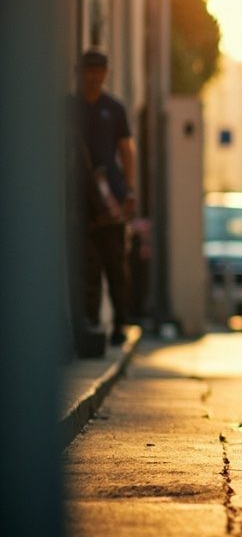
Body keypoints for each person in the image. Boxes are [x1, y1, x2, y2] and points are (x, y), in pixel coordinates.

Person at [73, 47, 136, 346]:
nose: (94, 77)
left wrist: (129, 189)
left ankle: (120, 322)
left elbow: (126, 150)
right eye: (89, 70)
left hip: (109, 194)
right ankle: (90, 323)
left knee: (114, 263)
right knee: (87, 264)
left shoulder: (114, 108)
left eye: (99, 71)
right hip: (78, 197)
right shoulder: (69, 108)